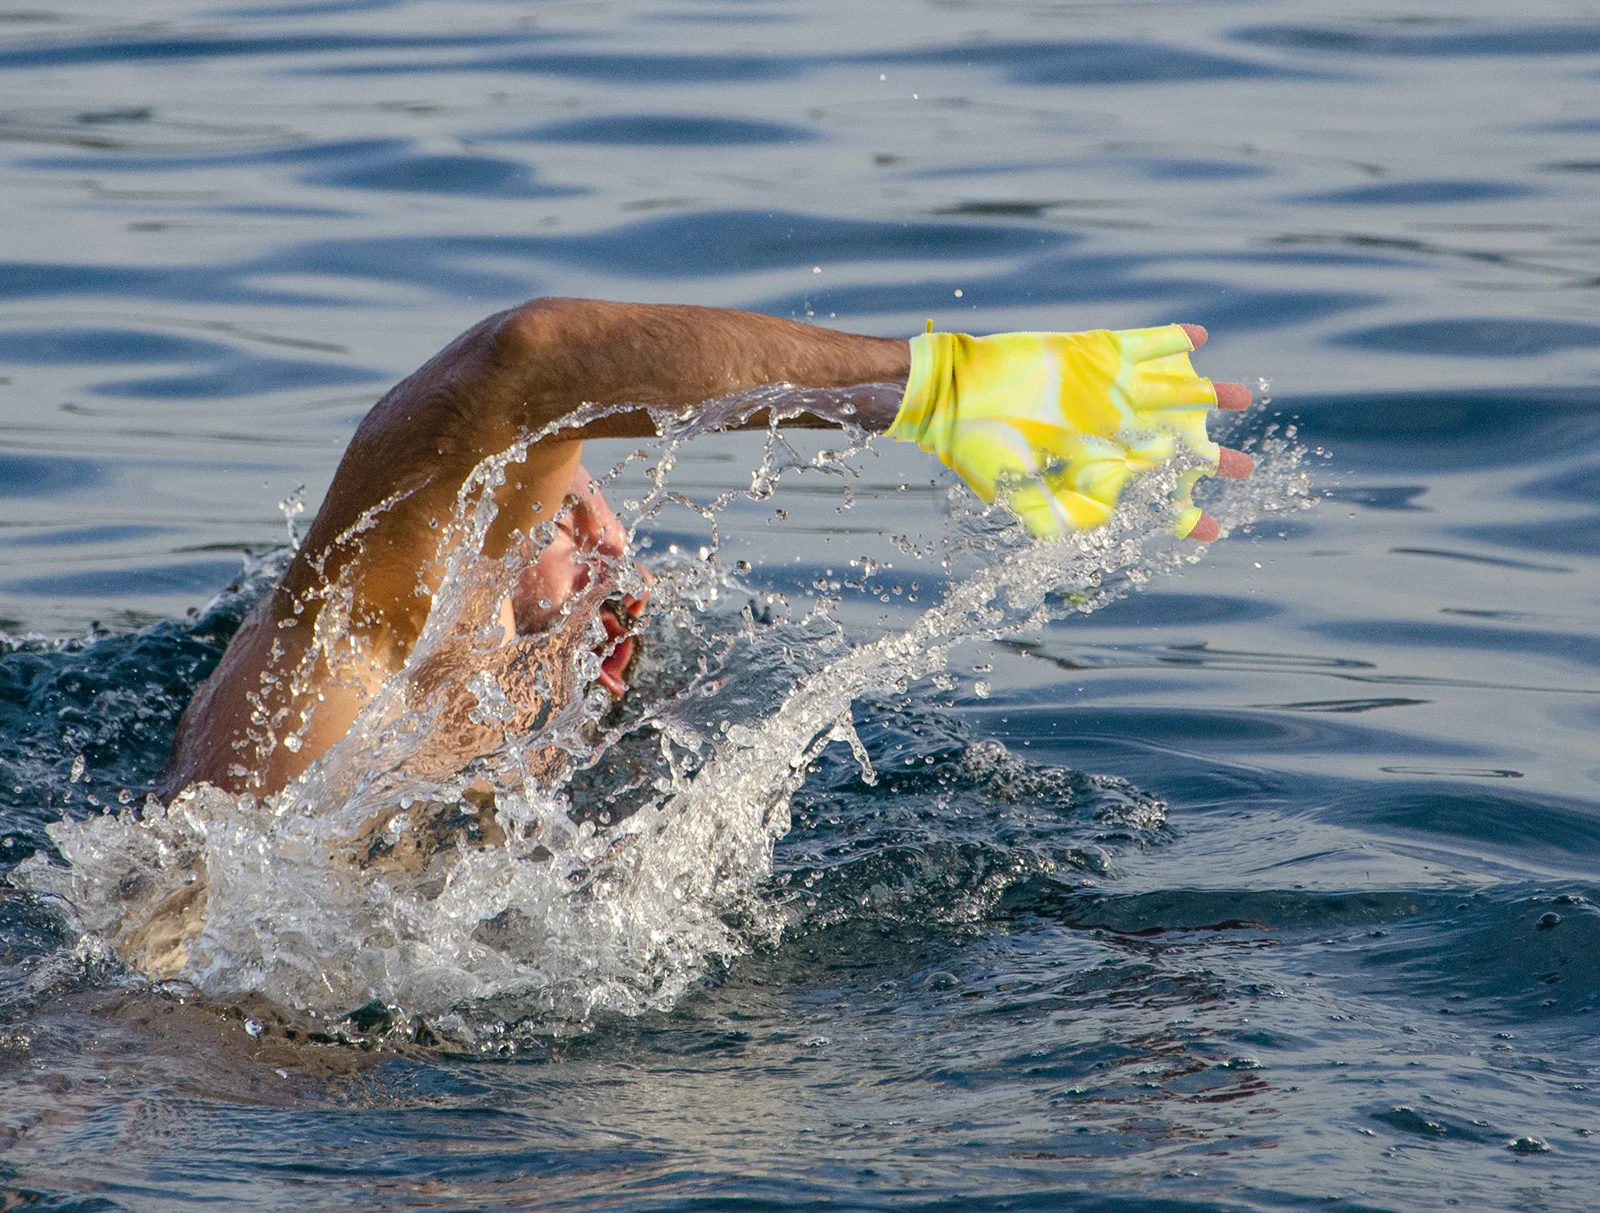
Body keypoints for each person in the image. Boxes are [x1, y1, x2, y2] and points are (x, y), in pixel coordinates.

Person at [160, 299, 1253, 803]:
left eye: (595, 507)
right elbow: (531, 368)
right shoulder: (344, 666)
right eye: (562, 498)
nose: (604, 532)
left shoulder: (404, 733)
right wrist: (932, 387)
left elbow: (525, 373)